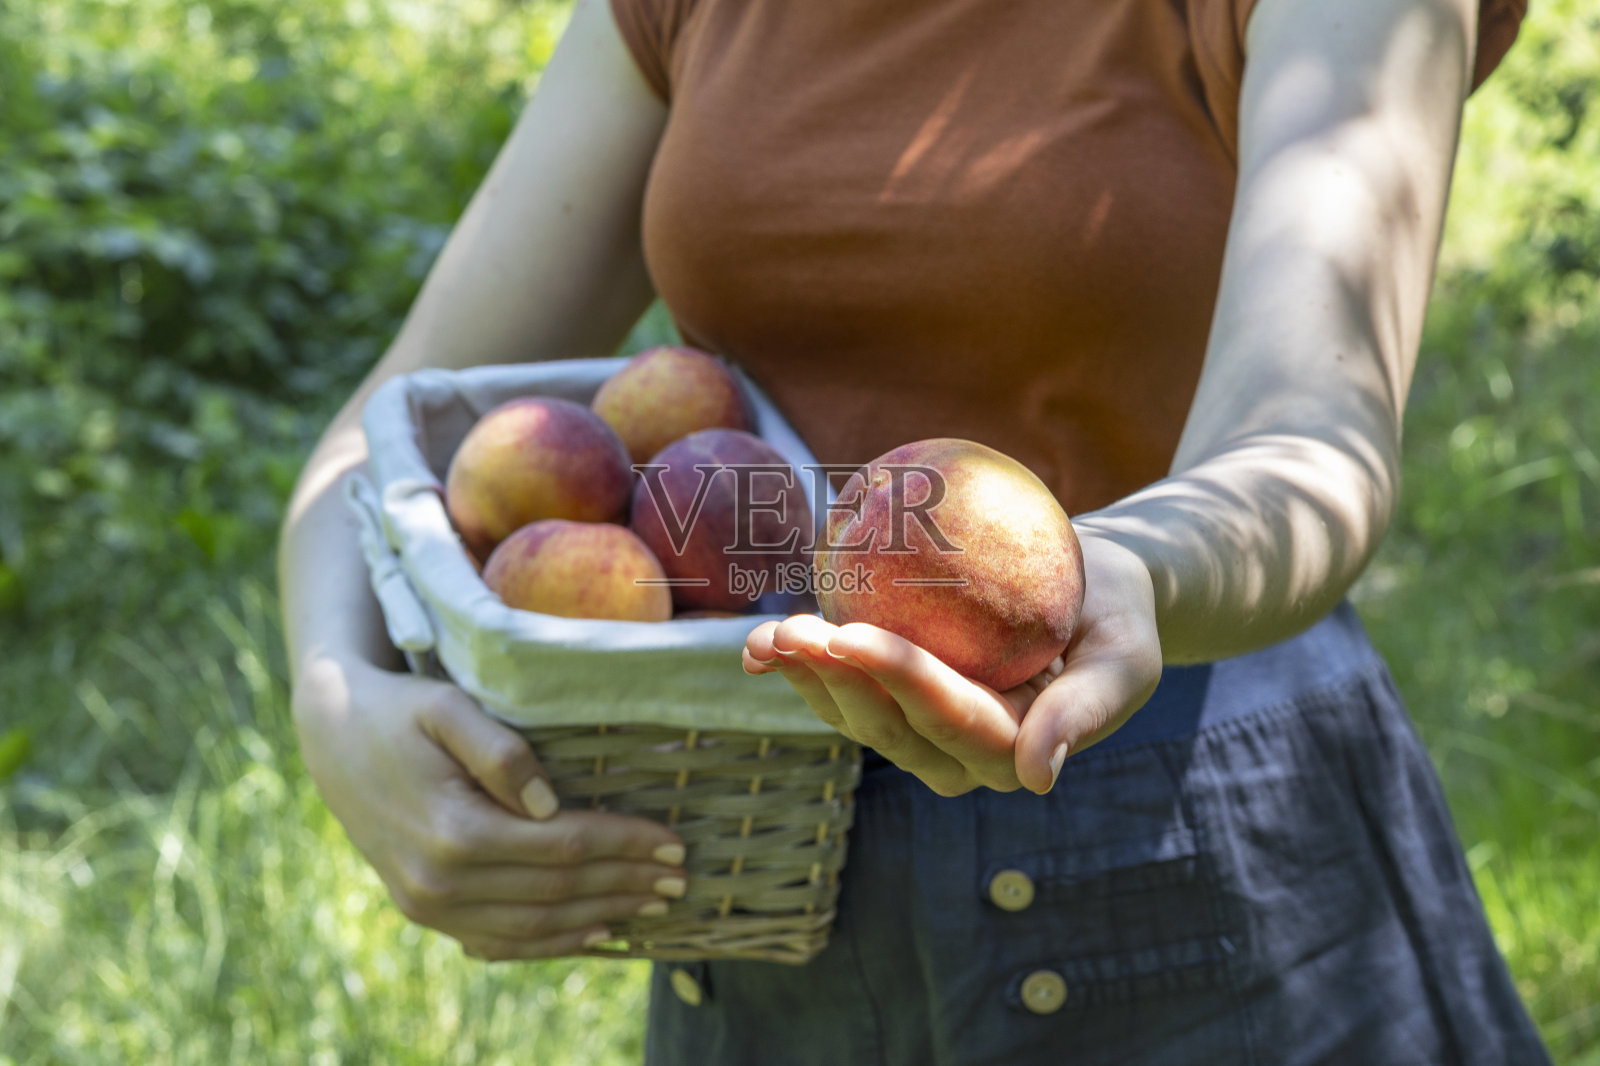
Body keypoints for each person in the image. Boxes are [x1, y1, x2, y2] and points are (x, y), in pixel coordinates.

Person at [278, 0, 1552, 1060]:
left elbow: (1307, 446)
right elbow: (398, 417)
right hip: (763, 858)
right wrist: (337, 701)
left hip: (1189, 842)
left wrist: (1116, 571)